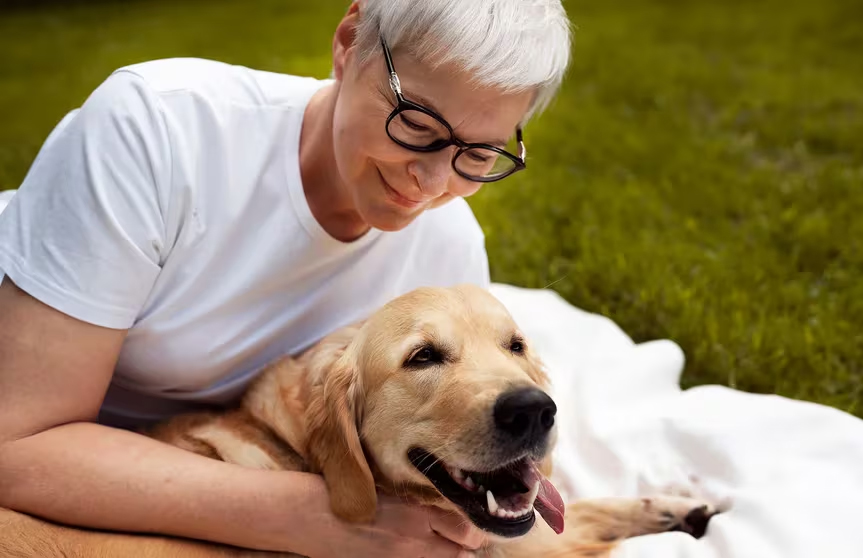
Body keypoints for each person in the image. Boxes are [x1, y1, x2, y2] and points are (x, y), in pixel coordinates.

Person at [0, 1, 571, 556]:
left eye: (479, 153)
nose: (432, 181)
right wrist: (307, 516)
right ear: (349, 45)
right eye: (417, 124)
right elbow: (14, 449)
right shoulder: (157, 132)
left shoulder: (447, 244)